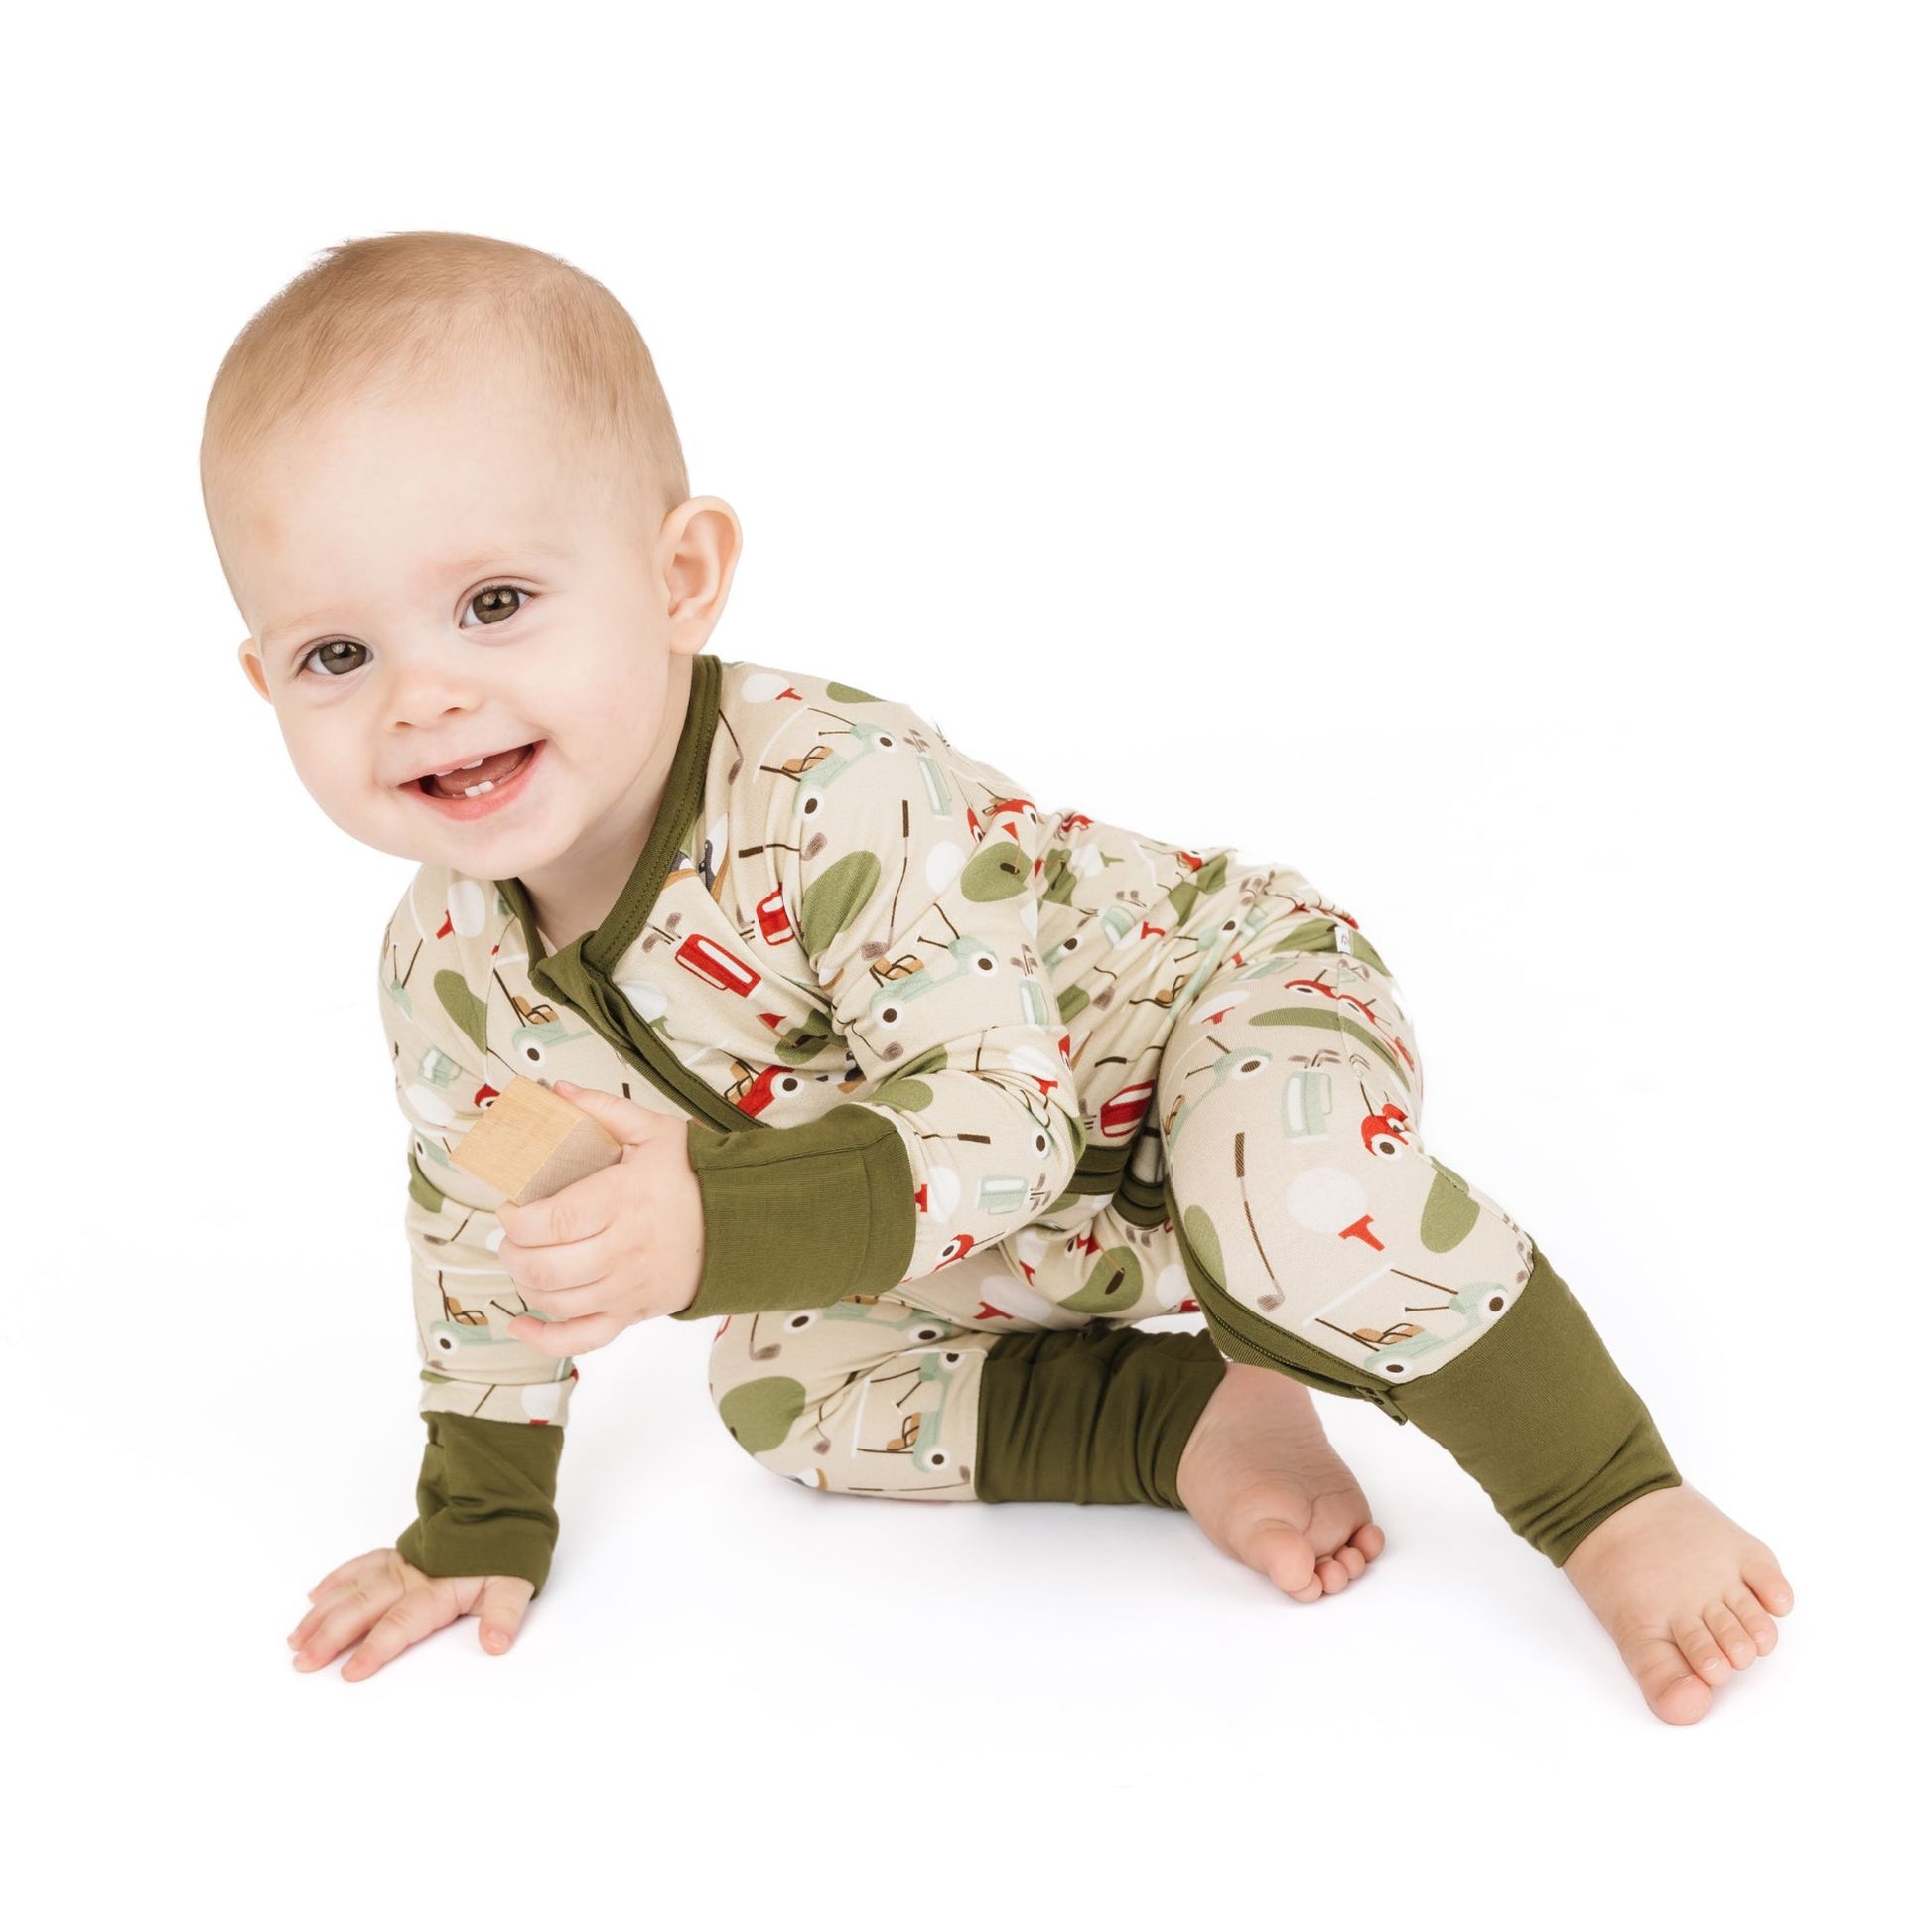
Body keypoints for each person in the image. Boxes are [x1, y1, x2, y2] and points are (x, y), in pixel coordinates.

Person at [203, 230, 1793, 1727]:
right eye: (339, 655)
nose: (424, 696)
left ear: (681, 576)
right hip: (975, 1230)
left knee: (1288, 1199)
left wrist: (707, 1223)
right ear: (269, 680)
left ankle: (1612, 1496)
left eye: (493, 604)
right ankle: (1186, 1421)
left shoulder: (832, 784)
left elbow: (1005, 1123)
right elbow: (488, 1220)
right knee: (776, 1390)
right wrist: (479, 1512)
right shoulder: (446, 976)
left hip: (1201, 1030)